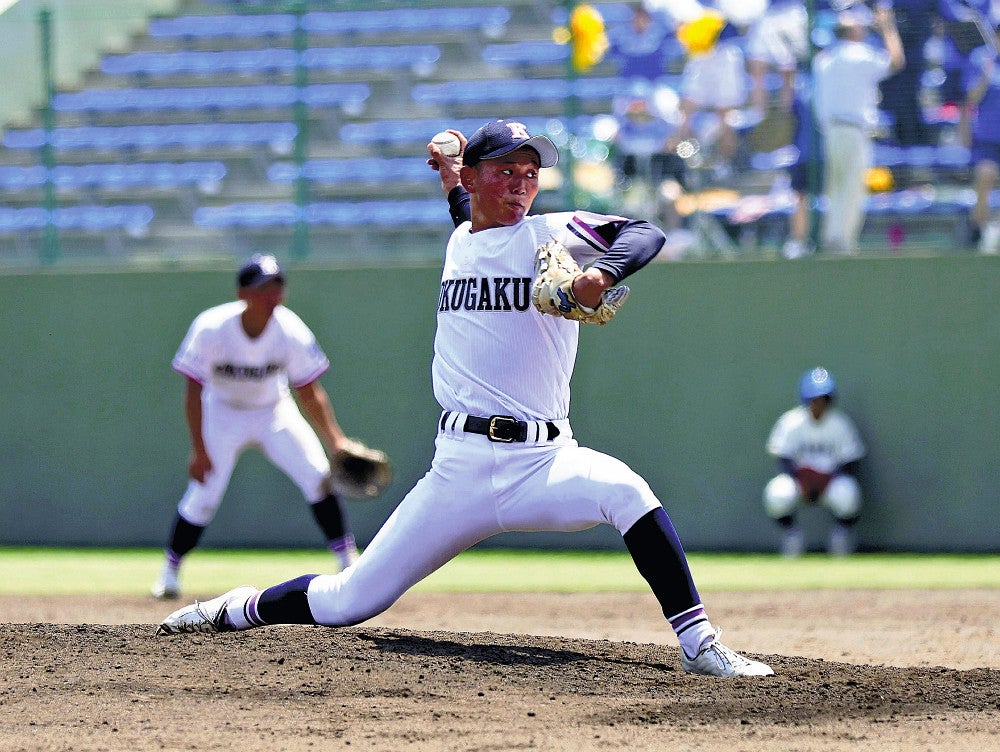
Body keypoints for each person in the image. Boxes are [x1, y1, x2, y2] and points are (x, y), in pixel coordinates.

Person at [156, 118, 774, 679]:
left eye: (530, 173)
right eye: (505, 171)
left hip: (543, 461)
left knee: (628, 492)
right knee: (350, 601)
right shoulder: (462, 239)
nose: (521, 184)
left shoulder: (552, 234)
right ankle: (233, 609)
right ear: (475, 179)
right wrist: (452, 168)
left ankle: (699, 644)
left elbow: (645, 230)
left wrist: (600, 273)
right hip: (459, 467)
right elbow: (464, 211)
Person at [150, 254, 360, 600]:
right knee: (204, 496)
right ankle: (169, 573)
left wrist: (335, 440)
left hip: (274, 411)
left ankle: (348, 563)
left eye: (278, 286)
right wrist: (199, 450)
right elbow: (193, 392)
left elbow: (310, 392)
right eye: (264, 288)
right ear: (242, 293)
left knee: (318, 476)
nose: (273, 295)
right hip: (223, 413)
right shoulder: (212, 327)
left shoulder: (290, 329)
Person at [811, 4, 905, 254]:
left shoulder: (823, 59)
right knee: (851, 188)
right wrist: (887, 27)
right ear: (852, 31)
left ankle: (831, 239)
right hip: (853, 130)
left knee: (834, 187)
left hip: (830, 132)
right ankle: (843, 244)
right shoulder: (860, 55)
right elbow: (896, 61)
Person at [763, 367, 867, 557]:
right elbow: (782, 457)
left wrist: (826, 481)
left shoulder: (840, 423)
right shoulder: (791, 422)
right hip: (799, 483)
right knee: (777, 492)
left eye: (823, 398)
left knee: (848, 492)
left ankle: (841, 538)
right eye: (815, 399)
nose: (819, 403)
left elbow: (851, 461)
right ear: (806, 399)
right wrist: (800, 480)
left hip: (830, 482)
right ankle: (791, 536)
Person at [962, 22, 1000, 253]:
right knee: (985, 176)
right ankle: (976, 231)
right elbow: (971, 98)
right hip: (988, 139)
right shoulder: (980, 59)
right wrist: (985, 75)